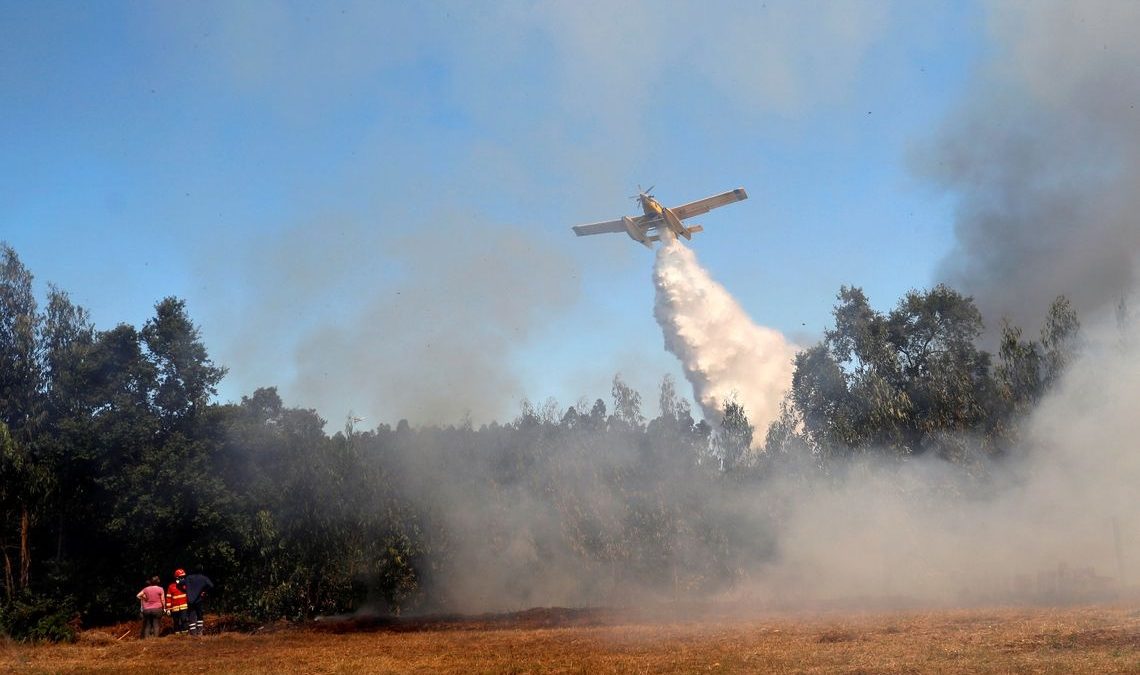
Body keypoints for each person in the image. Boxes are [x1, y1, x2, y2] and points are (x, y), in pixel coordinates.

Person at [179, 570, 214, 636]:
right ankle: (199, 632)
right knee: (199, 615)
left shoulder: (188, 578)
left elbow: (179, 583)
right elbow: (211, 585)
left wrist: (184, 590)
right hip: (199, 600)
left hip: (190, 600)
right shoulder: (203, 578)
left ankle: (193, 633)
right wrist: (204, 591)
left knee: (192, 616)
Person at [165, 569, 189, 635]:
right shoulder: (171, 586)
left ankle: (185, 634)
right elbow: (168, 598)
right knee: (176, 621)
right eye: (181, 577)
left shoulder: (186, 585)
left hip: (184, 606)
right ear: (177, 577)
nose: (183, 578)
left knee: (184, 620)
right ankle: (177, 635)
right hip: (174, 607)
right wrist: (168, 609)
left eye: (184, 577)